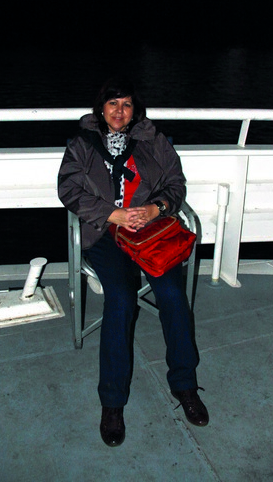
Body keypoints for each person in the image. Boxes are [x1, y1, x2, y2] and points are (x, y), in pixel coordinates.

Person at [58, 77, 208, 447]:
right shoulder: (82, 144)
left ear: (134, 110)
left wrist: (155, 208)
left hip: (151, 230)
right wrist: (114, 215)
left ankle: (185, 385)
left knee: (172, 295)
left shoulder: (154, 141)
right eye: (113, 104)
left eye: (126, 104)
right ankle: (112, 403)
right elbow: (69, 189)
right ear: (101, 108)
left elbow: (176, 184)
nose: (119, 111)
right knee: (121, 299)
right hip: (106, 233)